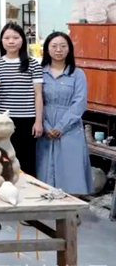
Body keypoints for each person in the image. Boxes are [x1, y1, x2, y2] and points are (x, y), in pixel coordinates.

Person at [36, 32, 92, 195]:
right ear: (47, 49)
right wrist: (45, 126)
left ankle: (70, 207)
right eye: (54, 46)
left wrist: (61, 127)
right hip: (45, 127)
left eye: (63, 46)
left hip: (70, 128)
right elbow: (36, 100)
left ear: (69, 49)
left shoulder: (78, 74)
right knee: (43, 171)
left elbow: (79, 103)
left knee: (70, 171)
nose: (58, 50)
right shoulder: (39, 72)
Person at [0, 23, 43, 178]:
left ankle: (28, 188)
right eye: (6, 38)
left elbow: (38, 94)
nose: (11, 41)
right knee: (2, 159)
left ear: (22, 41)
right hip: (2, 120)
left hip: (26, 120)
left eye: (15, 37)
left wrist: (38, 121)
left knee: (26, 160)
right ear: (1, 41)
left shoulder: (33, 64)